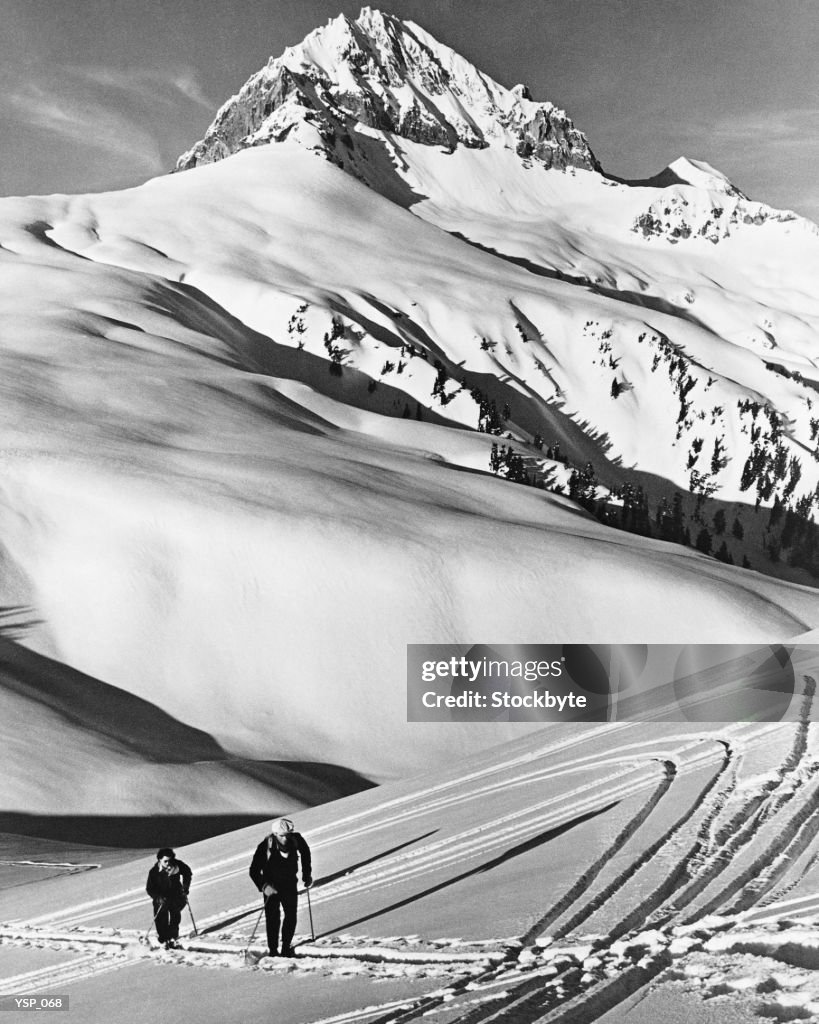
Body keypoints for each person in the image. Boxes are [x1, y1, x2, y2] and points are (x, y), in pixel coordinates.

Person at [249, 817, 312, 957]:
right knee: (272, 918)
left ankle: (285, 947)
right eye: (282, 836)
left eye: (288, 835)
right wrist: (264, 886)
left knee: (291, 915)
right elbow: (253, 870)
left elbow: (306, 853)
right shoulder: (265, 846)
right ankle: (273, 950)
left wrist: (306, 874)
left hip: (290, 884)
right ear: (275, 834)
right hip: (271, 887)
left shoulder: (296, 839)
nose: (285, 838)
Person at [145, 847, 192, 949]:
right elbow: (149, 888)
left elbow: (188, 872)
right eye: (165, 861)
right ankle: (163, 939)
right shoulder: (154, 872)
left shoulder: (177, 865)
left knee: (175, 916)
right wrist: (157, 897)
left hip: (176, 895)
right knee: (161, 918)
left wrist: (185, 886)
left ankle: (172, 937)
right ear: (159, 860)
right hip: (161, 899)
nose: (168, 863)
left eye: (170, 860)